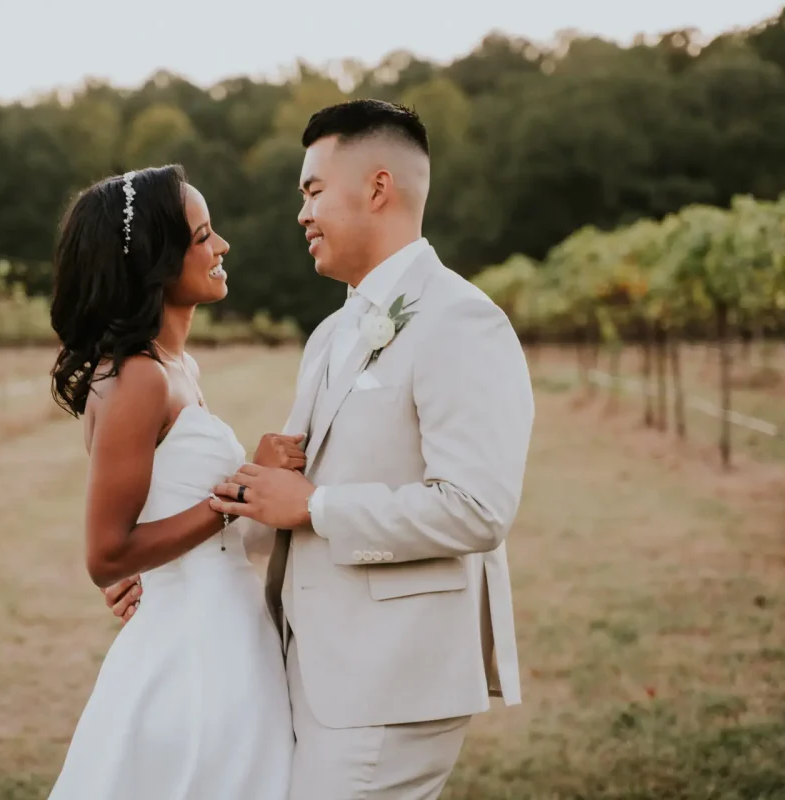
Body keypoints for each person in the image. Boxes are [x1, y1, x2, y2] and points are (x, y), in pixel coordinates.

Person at [111, 100, 536, 800]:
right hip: (313, 665)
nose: (301, 214)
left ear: (377, 188)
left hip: (392, 680)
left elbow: (476, 509)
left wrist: (319, 505)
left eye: (313, 191)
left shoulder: (464, 322)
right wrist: (166, 573)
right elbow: (278, 504)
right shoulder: (332, 334)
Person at [45, 165, 295, 799]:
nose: (222, 247)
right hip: (195, 650)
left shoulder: (179, 366)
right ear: (156, 261)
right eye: (204, 235)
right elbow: (106, 554)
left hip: (227, 623)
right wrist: (240, 492)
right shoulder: (138, 378)